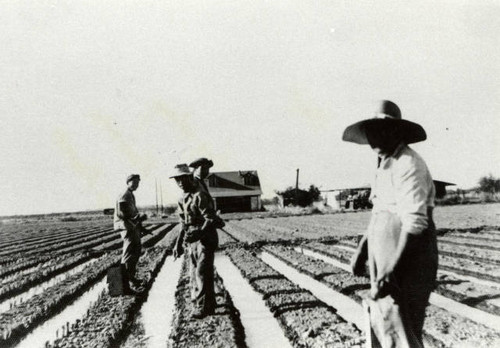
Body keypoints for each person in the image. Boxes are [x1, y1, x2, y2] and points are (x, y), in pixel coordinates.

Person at [343, 100, 438, 347]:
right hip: (383, 258)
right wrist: (362, 249)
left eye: (380, 131)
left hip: (407, 260)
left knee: (403, 329)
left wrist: (392, 269)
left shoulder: (409, 163)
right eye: (370, 133)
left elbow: (414, 224)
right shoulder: (384, 165)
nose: (373, 139)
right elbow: (378, 212)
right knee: (384, 323)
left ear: (396, 131)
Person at [170, 164, 219, 319]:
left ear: (190, 177)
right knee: (196, 270)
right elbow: (183, 224)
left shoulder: (199, 195)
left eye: (183, 179)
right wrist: (177, 245)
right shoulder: (182, 199)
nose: (180, 183)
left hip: (206, 238)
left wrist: (199, 233)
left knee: (202, 271)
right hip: (193, 240)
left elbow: (210, 218)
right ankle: (209, 303)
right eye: (177, 180)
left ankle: (203, 306)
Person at [114, 174, 148, 294]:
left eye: (138, 183)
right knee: (128, 256)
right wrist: (137, 218)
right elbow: (122, 213)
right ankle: (120, 287)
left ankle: (131, 280)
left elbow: (130, 213)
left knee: (134, 253)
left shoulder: (130, 194)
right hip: (127, 228)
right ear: (128, 182)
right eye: (134, 182)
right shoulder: (125, 194)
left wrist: (140, 223)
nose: (136, 185)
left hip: (132, 227)